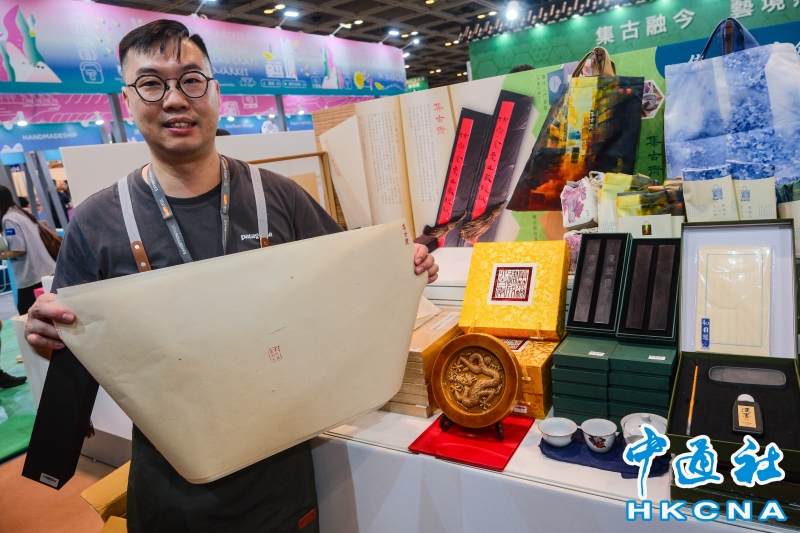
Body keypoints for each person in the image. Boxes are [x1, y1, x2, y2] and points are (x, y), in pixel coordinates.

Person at [23, 19, 438, 533]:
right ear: (127, 102)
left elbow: (353, 287)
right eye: (151, 84)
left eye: (191, 79)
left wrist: (406, 268)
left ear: (216, 92)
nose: (175, 99)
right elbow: (74, 345)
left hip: (284, 478)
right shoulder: (97, 222)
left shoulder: (279, 197)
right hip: (170, 491)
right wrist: (46, 338)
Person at [0, 186, 55, 316]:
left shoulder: (9, 219)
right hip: (45, 270)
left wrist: (2, 255)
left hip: (31, 275)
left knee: (27, 314)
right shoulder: (21, 213)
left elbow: (19, 249)